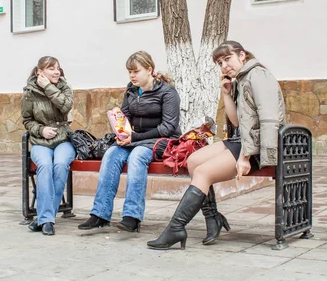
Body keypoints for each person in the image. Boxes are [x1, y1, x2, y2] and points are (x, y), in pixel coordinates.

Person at [147, 40, 285, 250]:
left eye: (227, 59)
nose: (224, 66)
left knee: (202, 172)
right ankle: (213, 218)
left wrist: (246, 157)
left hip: (259, 146)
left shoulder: (258, 75)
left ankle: (176, 228)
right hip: (242, 140)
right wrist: (226, 93)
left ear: (242, 55)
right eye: (220, 63)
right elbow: (237, 122)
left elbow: (269, 119)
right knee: (192, 160)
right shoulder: (240, 79)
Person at [78, 51, 181, 233]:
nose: (132, 75)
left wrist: (135, 137)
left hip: (161, 140)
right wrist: (121, 132)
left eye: (136, 71)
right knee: (111, 154)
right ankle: (100, 214)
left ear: (149, 70)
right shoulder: (132, 89)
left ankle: (132, 216)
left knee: (137, 156)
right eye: (129, 72)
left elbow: (168, 127)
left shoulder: (167, 92)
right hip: (135, 139)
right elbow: (124, 115)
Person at [21, 56, 75, 236]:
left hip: (63, 140)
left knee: (60, 165)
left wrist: (48, 87)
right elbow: (27, 120)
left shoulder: (64, 87)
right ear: (39, 72)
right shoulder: (29, 92)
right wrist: (41, 130)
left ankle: (44, 219)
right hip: (41, 142)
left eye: (57, 68)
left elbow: (66, 106)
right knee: (44, 166)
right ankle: (47, 219)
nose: (56, 71)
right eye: (51, 68)